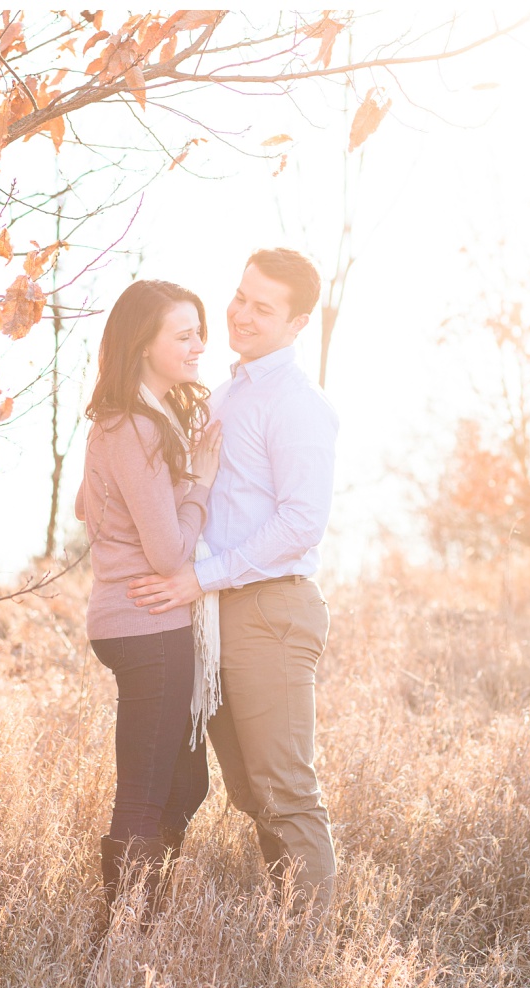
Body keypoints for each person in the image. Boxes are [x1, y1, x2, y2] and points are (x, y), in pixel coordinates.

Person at [125, 248, 341, 911]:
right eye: (241, 296)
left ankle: (305, 956)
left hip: (269, 609)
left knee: (285, 792)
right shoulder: (222, 395)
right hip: (217, 611)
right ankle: (283, 933)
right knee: (252, 792)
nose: (241, 314)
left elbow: (302, 524)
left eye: (263, 307)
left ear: (298, 323)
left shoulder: (297, 404)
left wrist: (201, 578)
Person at [75, 279, 223, 933]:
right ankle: (123, 938)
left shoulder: (129, 420)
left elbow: (89, 508)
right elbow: (168, 553)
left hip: (137, 621)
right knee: (143, 792)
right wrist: (199, 481)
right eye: (182, 334)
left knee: (186, 783)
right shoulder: (135, 425)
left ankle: (142, 920)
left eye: (200, 331)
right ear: (145, 343)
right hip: (147, 623)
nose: (198, 345)